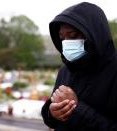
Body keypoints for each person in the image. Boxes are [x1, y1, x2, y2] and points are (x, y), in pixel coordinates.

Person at [41, 2, 117, 131]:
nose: (66, 43)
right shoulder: (66, 70)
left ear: (94, 34)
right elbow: (52, 118)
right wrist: (52, 113)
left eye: (73, 36)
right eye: (62, 38)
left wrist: (76, 109)